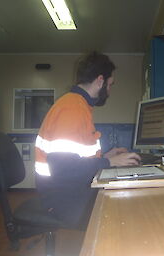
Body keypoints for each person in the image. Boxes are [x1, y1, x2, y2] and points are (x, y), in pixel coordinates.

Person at [35, 52, 140, 230]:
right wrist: (109, 162)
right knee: (123, 209)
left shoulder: (78, 105)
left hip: (66, 189)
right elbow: (64, 169)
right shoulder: (72, 108)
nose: (110, 90)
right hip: (62, 198)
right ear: (100, 81)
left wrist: (107, 157)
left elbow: (74, 160)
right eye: (110, 84)